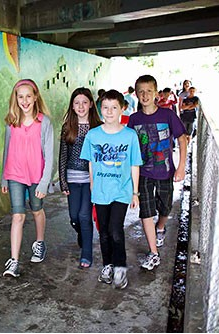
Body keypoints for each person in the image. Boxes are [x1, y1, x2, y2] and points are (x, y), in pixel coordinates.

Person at [80, 89, 143, 289]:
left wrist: (135, 192)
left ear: (122, 109)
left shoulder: (130, 136)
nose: (109, 112)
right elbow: (90, 162)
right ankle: (107, 265)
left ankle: (120, 267)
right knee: (104, 231)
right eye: (105, 108)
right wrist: (92, 184)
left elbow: (134, 164)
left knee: (116, 229)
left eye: (113, 108)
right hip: (100, 191)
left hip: (122, 191)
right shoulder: (92, 135)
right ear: (100, 109)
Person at [127, 75, 187, 271]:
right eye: (141, 91)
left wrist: (180, 166)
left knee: (165, 207)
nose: (144, 95)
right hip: (143, 172)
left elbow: (182, 138)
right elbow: (128, 146)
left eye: (149, 91)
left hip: (165, 171)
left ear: (156, 93)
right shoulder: (134, 119)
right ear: (136, 94)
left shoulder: (167, 115)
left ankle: (160, 227)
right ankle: (154, 253)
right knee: (146, 210)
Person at [1, 79, 54, 277]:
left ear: (35, 97)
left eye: (28, 96)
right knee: (17, 215)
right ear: (15, 98)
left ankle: (39, 243)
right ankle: (14, 261)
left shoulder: (44, 122)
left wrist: (44, 182)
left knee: (36, 210)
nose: (24, 101)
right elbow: (7, 150)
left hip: (36, 176)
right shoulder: (11, 121)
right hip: (15, 174)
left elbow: (49, 155)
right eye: (20, 96)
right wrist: (4, 178)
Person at [58, 87, 102, 269]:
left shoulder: (99, 127)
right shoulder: (67, 127)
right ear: (72, 106)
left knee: (85, 215)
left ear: (91, 104)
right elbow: (62, 156)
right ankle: (83, 234)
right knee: (74, 217)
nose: (81, 106)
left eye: (84, 102)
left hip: (90, 180)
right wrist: (62, 181)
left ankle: (87, 254)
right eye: (77, 103)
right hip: (72, 178)